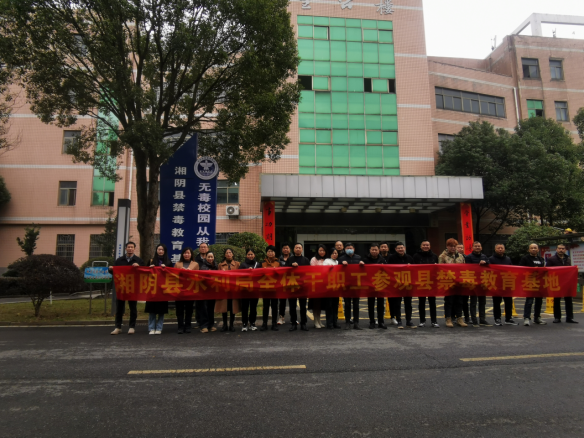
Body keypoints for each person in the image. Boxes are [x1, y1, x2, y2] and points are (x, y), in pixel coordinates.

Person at [110, 241, 144, 335]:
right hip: (121, 287)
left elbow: (144, 272)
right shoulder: (119, 260)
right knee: (119, 308)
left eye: (132, 247)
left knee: (133, 307)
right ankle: (118, 327)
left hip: (133, 287)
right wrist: (110, 269)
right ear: (125, 249)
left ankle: (132, 327)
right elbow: (114, 272)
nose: (130, 249)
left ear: (134, 249)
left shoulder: (138, 260)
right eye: (128, 247)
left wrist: (139, 267)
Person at [438, 238, 467, 328]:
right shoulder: (442, 256)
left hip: (459, 282)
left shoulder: (461, 256)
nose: (453, 248)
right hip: (448, 282)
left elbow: (464, 268)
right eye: (451, 246)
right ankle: (448, 318)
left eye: (454, 246)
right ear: (447, 246)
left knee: (459, 301)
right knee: (449, 301)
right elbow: (440, 269)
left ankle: (459, 318)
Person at [386, 242, 416, 329]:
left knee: (408, 304)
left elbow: (415, 270)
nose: (400, 249)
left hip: (407, 284)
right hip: (397, 284)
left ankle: (409, 321)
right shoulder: (391, 258)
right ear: (396, 249)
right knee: (397, 304)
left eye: (402, 248)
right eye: (398, 248)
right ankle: (399, 321)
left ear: (404, 248)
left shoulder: (409, 258)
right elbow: (388, 270)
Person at [546, 243, 578, 324]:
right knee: (557, 300)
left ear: (565, 250)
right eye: (559, 248)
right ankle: (557, 317)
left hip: (567, 283)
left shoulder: (568, 259)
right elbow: (547, 270)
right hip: (557, 282)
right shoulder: (551, 259)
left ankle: (569, 318)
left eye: (563, 248)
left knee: (569, 301)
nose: (561, 250)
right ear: (556, 249)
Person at [464, 241, 492, 327]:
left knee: (482, 302)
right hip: (473, 282)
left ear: (481, 247)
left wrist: (485, 263)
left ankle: (482, 319)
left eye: (479, 246)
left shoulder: (484, 256)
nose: (477, 247)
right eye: (475, 246)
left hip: (483, 282)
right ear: (472, 248)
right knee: (473, 302)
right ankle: (474, 320)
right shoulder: (468, 257)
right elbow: (468, 268)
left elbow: (490, 266)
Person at [489, 243, 517, 326]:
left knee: (508, 302)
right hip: (496, 284)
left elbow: (512, 270)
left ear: (504, 249)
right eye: (498, 248)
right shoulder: (491, 259)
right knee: (497, 302)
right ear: (495, 249)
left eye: (502, 248)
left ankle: (508, 318)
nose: (500, 249)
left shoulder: (508, 259)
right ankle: (497, 318)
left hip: (507, 283)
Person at [413, 240, 439, 328]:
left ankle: (434, 321)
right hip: (421, 282)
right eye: (424, 245)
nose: (425, 246)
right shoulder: (416, 256)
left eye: (427, 245)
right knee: (421, 302)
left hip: (431, 282)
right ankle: (422, 321)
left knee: (432, 302)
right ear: (421, 246)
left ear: (430, 246)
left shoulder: (434, 256)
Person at [338, 242, 364, 330]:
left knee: (356, 305)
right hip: (346, 285)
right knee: (347, 304)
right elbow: (338, 270)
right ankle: (347, 322)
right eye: (347, 248)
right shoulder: (341, 258)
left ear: (354, 249)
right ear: (345, 249)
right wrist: (341, 264)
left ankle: (356, 323)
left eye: (351, 248)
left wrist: (362, 264)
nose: (349, 249)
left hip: (356, 285)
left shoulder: (358, 257)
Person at [146, 244, 170, 334]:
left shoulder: (168, 262)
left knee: (161, 310)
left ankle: (159, 328)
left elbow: (171, 275)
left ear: (165, 251)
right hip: (152, 288)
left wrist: (166, 269)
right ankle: (151, 328)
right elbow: (145, 273)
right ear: (156, 250)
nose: (160, 251)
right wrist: (150, 269)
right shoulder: (151, 261)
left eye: (162, 250)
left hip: (163, 289)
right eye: (159, 249)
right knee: (152, 310)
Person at [174, 247, 199, 334]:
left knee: (189, 309)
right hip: (179, 290)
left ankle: (188, 326)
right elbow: (173, 276)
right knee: (179, 310)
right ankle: (180, 326)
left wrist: (190, 272)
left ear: (191, 254)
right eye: (185, 253)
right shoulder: (177, 264)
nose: (186, 254)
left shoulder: (195, 264)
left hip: (190, 290)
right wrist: (180, 272)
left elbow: (198, 276)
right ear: (182, 254)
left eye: (188, 253)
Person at [521, 243, 547, 326]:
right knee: (529, 301)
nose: (533, 249)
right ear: (529, 250)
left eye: (535, 248)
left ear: (538, 249)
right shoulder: (525, 259)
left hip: (539, 283)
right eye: (531, 248)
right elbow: (520, 270)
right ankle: (526, 318)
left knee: (539, 301)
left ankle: (537, 317)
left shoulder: (541, 259)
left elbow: (544, 270)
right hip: (530, 283)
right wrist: (532, 270)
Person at [287, 243, 311, 331]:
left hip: (302, 286)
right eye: (296, 247)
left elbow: (309, 272)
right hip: (292, 285)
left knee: (303, 306)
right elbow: (284, 270)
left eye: (299, 248)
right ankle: (293, 323)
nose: (298, 249)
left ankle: (303, 323)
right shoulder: (290, 259)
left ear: (302, 249)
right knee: (292, 306)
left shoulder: (306, 260)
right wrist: (291, 266)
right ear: (293, 249)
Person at [363, 243, 387, 329]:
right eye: (372, 250)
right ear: (370, 250)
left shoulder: (382, 260)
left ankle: (381, 322)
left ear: (378, 250)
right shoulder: (365, 260)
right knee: (371, 304)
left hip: (380, 284)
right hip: (370, 285)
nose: (374, 251)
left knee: (381, 305)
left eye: (376, 250)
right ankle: (372, 322)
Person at [216, 248, 241, 332]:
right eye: (227, 253)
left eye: (230, 252)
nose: (228, 254)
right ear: (225, 255)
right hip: (224, 289)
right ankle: (224, 325)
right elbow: (217, 277)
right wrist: (221, 273)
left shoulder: (237, 264)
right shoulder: (220, 265)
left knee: (232, 307)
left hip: (233, 289)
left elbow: (241, 275)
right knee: (224, 308)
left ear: (232, 254)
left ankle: (231, 325)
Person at [240, 248, 260, 332]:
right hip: (245, 290)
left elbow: (261, 276)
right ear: (246, 255)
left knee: (253, 308)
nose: (250, 256)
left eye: (252, 254)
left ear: (254, 255)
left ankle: (252, 323)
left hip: (254, 290)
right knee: (244, 308)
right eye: (249, 254)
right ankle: (244, 324)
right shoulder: (243, 265)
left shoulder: (258, 264)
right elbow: (239, 276)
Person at [261, 245, 280, 331]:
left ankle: (274, 323)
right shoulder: (262, 263)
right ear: (266, 253)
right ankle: (264, 323)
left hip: (275, 288)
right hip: (265, 288)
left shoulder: (278, 263)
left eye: (272, 251)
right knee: (265, 306)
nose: (270, 253)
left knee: (274, 306)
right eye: (269, 251)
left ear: (275, 253)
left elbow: (281, 275)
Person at [195, 242, 213, 331]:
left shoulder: (212, 262)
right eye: (201, 247)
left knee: (209, 306)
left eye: (205, 247)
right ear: (199, 249)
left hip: (211, 288)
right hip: (200, 286)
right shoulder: (195, 260)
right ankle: (202, 324)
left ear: (208, 249)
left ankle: (210, 324)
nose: (203, 248)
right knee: (200, 306)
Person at [199, 251, 218, 333]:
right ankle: (204, 326)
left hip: (212, 290)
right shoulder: (203, 266)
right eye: (209, 257)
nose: (210, 258)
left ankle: (211, 325)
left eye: (211, 257)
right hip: (204, 290)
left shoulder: (216, 266)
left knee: (211, 308)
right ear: (205, 258)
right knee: (204, 308)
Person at [309, 244, 328, 328]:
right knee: (315, 304)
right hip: (315, 284)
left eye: (323, 250)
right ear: (317, 251)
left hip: (324, 285)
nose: (322, 252)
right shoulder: (314, 259)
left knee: (320, 304)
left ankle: (319, 320)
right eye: (320, 250)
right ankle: (315, 321)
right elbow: (313, 270)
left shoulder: (327, 259)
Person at [324, 247, 342, 329]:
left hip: (336, 286)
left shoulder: (337, 262)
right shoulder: (326, 261)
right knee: (329, 305)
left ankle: (335, 322)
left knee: (335, 305)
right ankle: (329, 323)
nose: (335, 255)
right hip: (329, 286)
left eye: (336, 253)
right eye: (333, 253)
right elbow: (323, 271)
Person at [277, 242, 292, 325]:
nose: (286, 250)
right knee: (282, 302)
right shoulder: (278, 260)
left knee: (292, 301)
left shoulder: (293, 258)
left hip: (292, 282)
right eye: (284, 248)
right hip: (282, 283)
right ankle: (281, 317)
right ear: (282, 250)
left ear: (290, 249)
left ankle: (293, 318)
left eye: (287, 248)